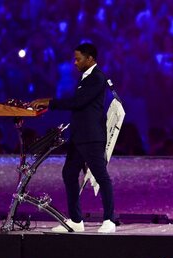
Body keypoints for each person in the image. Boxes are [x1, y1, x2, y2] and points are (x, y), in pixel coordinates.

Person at [30, 42, 116, 233]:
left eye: (78, 59)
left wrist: (49, 103)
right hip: (79, 136)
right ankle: (76, 221)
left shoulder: (96, 77)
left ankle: (110, 220)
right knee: (69, 173)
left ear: (90, 58)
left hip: (91, 136)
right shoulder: (86, 78)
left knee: (101, 176)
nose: (74, 63)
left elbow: (78, 102)